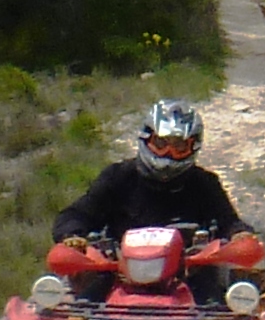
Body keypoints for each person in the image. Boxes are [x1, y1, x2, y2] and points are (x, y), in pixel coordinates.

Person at [52, 98, 248, 255]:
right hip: (118, 272)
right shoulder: (118, 177)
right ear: (146, 139)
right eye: (161, 143)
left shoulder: (204, 183)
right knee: (78, 299)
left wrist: (239, 234)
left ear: (193, 148)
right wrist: (73, 235)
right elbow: (77, 214)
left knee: (230, 298)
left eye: (179, 146)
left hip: (191, 275)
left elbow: (229, 222)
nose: (169, 152)